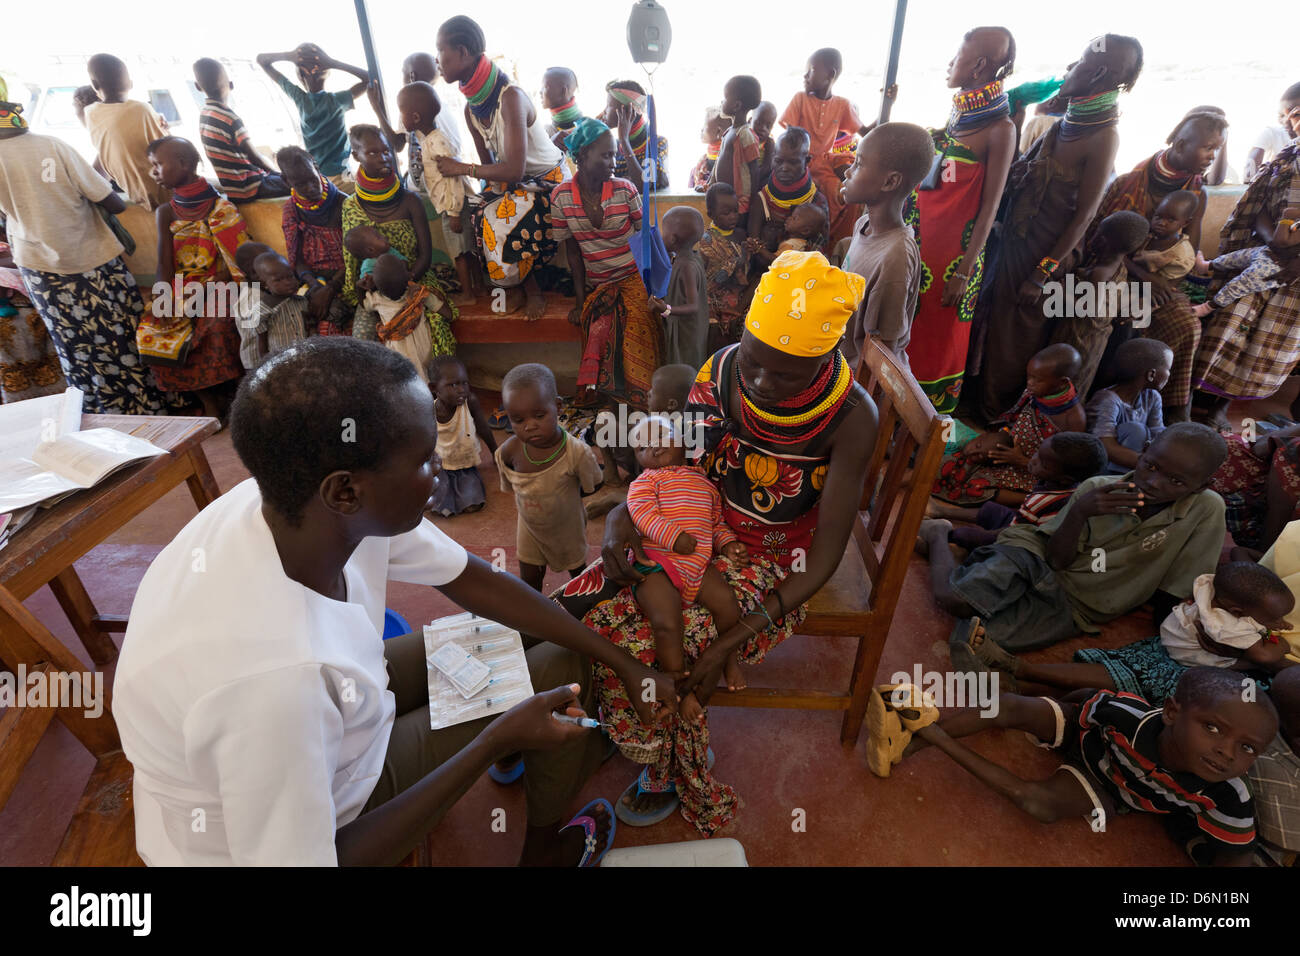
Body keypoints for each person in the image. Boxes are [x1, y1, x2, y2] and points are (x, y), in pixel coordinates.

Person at [113, 337, 679, 866]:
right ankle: (541, 851)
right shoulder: (273, 684)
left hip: (342, 713)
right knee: (555, 674)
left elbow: (477, 582)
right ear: (345, 489)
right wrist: (494, 739)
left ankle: (525, 764)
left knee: (560, 648)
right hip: (315, 814)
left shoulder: (299, 502)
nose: (440, 472)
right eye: (424, 460)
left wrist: (621, 661)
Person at [556, 251, 877, 834]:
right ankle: (613, 717)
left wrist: (732, 639)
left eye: (783, 374)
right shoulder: (723, 370)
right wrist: (622, 519)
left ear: (827, 356)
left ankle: (666, 762)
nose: (758, 382)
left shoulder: (851, 417)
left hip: (776, 560)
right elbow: (677, 464)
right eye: (754, 362)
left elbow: (825, 557)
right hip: (690, 524)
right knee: (580, 604)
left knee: (660, 645)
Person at [875, 668, 1276, 865]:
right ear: (1171, 712)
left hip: (1108, 789)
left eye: (1247, 748)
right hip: (1087, 740)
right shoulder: (1127, 714)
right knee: (1008, 705)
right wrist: (1044, 708)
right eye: (1212, 728)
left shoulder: (1228, 794)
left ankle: (927, 731)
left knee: (1038, 804)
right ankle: (910, 743)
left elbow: (1234, 864)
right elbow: (1087, 700)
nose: (1226, 753)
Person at [934, 423, 1228, 663]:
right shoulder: (1095, 488)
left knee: (970, 640)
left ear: (1202, 486)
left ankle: (968, 561)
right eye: (1151, 466)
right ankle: (938, 533)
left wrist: (1174, 641)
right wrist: (1079, 511)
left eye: (1176, 482)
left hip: (1079, 604)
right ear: (1144, 452)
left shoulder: (1206, 509)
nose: (1154, 483)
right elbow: (1056, 560)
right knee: (956, 600)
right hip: (1035, 554)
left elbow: (1178, 589)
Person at [976, 35, 1144, 423]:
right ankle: (988, 408)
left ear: (1098, 72)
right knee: (998, 332)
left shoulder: (1103, 136)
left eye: (1080, 61)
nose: (1070, 68)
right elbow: (1025, 173)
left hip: (1044, 256)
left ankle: (1003, 419)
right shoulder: (1068, 122)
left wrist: (1042, 272)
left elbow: (1084, 216)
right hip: (1018, 244)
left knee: (1017, 342)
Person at [0, 95, 172, 414]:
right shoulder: (52, 145)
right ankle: (154, 405)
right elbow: (113, 202)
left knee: (77, 348)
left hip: (40, 271)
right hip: (94, 259)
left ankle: (103, 417)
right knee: (125, 334)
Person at [970, 562, 1294, 703]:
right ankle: (1019, 670)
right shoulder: (1233, 625)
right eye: (1274, 616)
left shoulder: (1214, 588)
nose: (1279, 620)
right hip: (1194, 666)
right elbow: (1267, 654)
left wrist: (1266, 621)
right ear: (1240, 612)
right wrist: (1274, 639)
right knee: (1137, 679)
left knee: (1122, 671)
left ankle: (1017, 681)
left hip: (1171, 643)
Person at [905, 26, 1017, 413]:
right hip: (920, 246)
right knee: (910, 335)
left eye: (958, 56)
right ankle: (894, 414)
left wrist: (964, 272)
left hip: (954, 261)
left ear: (980, 66)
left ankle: (925, 430)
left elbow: (990, 207)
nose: (951, 63)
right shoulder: (961, 114)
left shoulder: (1000, 129)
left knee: (938, 346)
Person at [1088, 110, 1226, 421]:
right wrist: (1145, 280)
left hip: (1161, 280)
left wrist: (1170, 283)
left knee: (1187, 324)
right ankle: (1109, 402)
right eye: (1207, 147)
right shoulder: (1130, 183)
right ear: (1180, 144)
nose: (1211, 156)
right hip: (1116, 272)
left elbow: (1188, 250)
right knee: (1125, 318)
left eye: (1216, 149)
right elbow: (1100, 243)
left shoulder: (1196, 192)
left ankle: (1171, 408)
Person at [435, 16, 568, 319]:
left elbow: (513, 170)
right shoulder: (472, 109)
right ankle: (511, 286)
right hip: (521, 183)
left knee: (500, 217)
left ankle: (529, 289)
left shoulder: (511, 98)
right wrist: (486, 192)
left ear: (464, 52)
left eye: (441, 50)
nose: (437, 60)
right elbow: (489, 167)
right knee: (481, 210)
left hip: (552, 183)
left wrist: (460, 168)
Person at [625, 414, 748, 724]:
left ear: (682, 441)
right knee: (666, 622)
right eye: (642, 447)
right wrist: (672, 537)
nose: (651, 448)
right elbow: (641, 515)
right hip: (658, 563)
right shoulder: (645, 482)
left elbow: (715, 523)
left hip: (698, 564)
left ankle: (729, 659)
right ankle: (677, 686)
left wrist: (728, 543)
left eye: (660, 438)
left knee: (728, 607)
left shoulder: (704, 482)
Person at [551, 118, 660, 414]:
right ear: (582, 156)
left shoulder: (625, 190)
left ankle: (643, 404)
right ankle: (611, 405)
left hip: (634, 278)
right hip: (600, 284)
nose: (614, 161)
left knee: (637, 327)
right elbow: (572, 253)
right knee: (598, 331)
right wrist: (579, 300)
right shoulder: (561, 197)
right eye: (606, 155)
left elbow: (647, 241)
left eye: (614, 154)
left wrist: (653, 287)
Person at [136, 137, 247, 421]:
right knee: (153, 329)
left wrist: (207, 289)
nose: (154, 172)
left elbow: (237, 261)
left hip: (222, 286)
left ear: (184, 164)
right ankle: (209, 401)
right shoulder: (166, 212)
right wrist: (162, 299)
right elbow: (164, 263)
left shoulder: (222, 208)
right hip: (182, 288)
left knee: (215, 326)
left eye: (159, 165)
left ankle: (239, 398)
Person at [1192, 145, 1300, 423]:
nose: (1291, 121)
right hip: (1265, 254)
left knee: (1264, 348)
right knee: (1228, 326)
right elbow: (1260, 208)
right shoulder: (1286, 159)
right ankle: (1197, 400)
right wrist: (1274, 244)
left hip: (1294, 282)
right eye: (1286, 116)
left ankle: (1221, 408)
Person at [340, 125, 454, 356]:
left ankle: (439, 387)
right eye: (372, 153)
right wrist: (366, 288)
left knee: (436, 327)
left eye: (386, 151)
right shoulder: (350, 206)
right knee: (361, 344)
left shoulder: (410, 201)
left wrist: (406, 280)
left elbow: (425, 255)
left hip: (414, 278)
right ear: (356, 156)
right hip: (372, 290)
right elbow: (352, 263)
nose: (383, 158)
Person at [932, 343, 1086, 511]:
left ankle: (1031, 499)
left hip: (1032, 472)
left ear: (1062, 382)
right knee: (955, 457)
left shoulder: (1073, 421)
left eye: (1037, 380)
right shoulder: (1036, 393)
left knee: (975, 483)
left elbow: (1061, 471)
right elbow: (1012, 422)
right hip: (1007, 453)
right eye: (1029, 377)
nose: (1030, 383)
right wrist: (998, 437)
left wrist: (1022, 461)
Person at [495, 363, 604, 592]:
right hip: (529, 526)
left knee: (578, 575)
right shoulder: (507, 452)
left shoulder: (576, 452)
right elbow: (511, 486)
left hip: (567, 527)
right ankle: (536, 618)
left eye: (539, 415)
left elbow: (592, 485)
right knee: (530, 578)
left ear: (557, 406)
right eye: (518, 420)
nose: (530, 426)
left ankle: (582, 612)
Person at [839, 122, 935, 372]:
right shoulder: (864, 224)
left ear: (890, 181)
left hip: (859, 382)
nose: (848, 172)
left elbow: (882, 355)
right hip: (843, 363)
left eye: (858, 164)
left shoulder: (895, 257)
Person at [920, 431, 1107, 556]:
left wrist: (986, 536)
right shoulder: (1061, 484)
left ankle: (942, 541)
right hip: (1024, 525)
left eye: (1043, 463)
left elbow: (1011, 533)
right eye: (1037, 454)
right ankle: (940, 511)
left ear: (1064, 478)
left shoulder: (1045, 500)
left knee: (970, 536)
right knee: (993, 511)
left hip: (1020, 543)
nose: (1032, 462)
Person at [1047, 210, 1150, 397]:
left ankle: (1052, 421)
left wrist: (1059, 292)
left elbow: (1089, 309)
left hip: (1080, 336)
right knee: (1073, 381)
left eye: (1097, 233)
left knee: (1064, 381)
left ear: (1103, 240)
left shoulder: (1100, 273)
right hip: (1093, 337)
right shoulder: (1118, 267)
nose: (1093, 237)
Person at [397, 81, 480, 307]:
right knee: (465, 248)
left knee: (459, 253)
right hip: (448, 205)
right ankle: (478, 288)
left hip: (452, 206)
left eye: (401, 112)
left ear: (414, 117)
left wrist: (453, 212)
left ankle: (469, 295)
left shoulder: (437, 142)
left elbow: (453, 178)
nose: (400, 117)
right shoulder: (428, 140)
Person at [778, 48, 872, 245]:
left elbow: (867, 132)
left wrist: (889, 100)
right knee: (829, 189)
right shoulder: (800, 99)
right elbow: (789, 137)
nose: (804, 75)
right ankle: (818, 241)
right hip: (801, 162)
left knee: (848, 190)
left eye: (810, 70)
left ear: (830, 74)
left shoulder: (842, 104)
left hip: (824, 163)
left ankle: (838, 244)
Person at [257, 43, 368, 191]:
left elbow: (262, 62)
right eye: (308, 68)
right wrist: (330, 62)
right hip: (328, 178)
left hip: (326, 177)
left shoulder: (311, 99)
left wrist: (291, 57)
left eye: (317, 66)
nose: (313, 71)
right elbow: (368, 79)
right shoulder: (332, 100)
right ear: (301, 76)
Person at [277, 146, 351, 336]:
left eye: (312, 179)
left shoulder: (344, 204)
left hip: (345, 280)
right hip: (313, 281)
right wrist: (315, 285)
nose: (310, 188)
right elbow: (297, 259)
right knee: (292, 325)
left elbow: (356, 258)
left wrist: (330, 288)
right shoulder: (291, 211)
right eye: (301, 184)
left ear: (317, 168)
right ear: (287, 181)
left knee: (328, 330)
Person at [193, 58, 289, 203]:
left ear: (197, 86)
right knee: (306, 182)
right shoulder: (230, 117)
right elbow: (254, 157)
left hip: (234, 190)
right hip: (252, 186)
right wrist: (277, 172)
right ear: (231, 85)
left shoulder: (205, 115)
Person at [84, 53, 171, 209]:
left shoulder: (91, 114)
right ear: (130, 83)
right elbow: (168, 146)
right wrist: (166, 128)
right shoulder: (142, 109)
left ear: (95, 85)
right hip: (165, 191)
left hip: (135, 194)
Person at [1194, 208, 1300, 321]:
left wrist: (1286, 217)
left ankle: (1209, 307)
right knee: (1235, 257)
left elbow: (1281, 241)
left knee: (1241, 284)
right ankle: (1206, 266)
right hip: (1269, 252)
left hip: (1274, 268)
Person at [357, 253, 450, 380]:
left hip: (397, 353)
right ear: (409, 276)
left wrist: (359, 287)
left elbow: (363, 304)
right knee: (428, 377)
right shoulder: (419, 293)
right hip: (423, 348)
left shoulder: (375, 300)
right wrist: (449, 313)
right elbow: (445, 311)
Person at [1087, 338, 1172, 473]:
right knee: (1135, 430)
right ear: (1151, 374)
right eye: (1168, 369)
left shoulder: (1152, 397)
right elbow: (1104, 445)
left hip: (1137, 463)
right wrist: (1150, 466)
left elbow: (1158, 433)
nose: (1169, 374)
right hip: (1101, 465)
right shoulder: (1107, 399)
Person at [746, 127, 829, 265]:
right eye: (779, 161)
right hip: (766, 268)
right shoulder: (763, 198)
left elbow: (819, 250)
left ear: (807, 160)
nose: (784, 167)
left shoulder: (817, 201)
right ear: (773, 158)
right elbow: (754, 244)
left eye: (793, 162)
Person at [427, 354, 494, 517]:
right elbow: (422, 438)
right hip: (441, 464)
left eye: (464, 383)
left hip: (465, 463)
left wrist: (496, 452)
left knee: (472, 502)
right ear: (434, 388)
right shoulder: (428, 408)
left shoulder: (470, 402)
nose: (461, 389)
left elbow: (483, 428)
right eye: (453, 384)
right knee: (438, 503)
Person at [651, 206, 710, 371]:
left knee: (685, 365)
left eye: (664, 232)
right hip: (683, 325)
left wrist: (666, 309)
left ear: (673, 239)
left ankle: (686, 394)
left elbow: (693, 306)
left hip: (687, 330)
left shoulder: (687, 267)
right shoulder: (688, 257)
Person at [698, 182, 751, 352]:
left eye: (735, 211)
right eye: (726, 213)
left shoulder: (741, 235)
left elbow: (745, 269)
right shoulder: (706, 241)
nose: (733, 216)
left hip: (738, 293)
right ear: (711, 214)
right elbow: (709, 277)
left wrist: (749, 253)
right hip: (713, 296)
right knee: (715, 332)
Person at [236, 251, 310, 369]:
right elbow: (261, 341)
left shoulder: (301, 301)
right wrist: (267, 365)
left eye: (290, 276)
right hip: (280, 363)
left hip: (305, 359)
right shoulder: (263, 309)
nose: (288, 282)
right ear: (265, 284)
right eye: (278, 280)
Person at [600, 80, 669, 192]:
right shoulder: (614, 145)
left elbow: (644, 187)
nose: (604, 111)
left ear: (628, 111)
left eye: (609, 106)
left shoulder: (656, 143)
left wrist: (624, 140)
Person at [711, 76, 764, 217]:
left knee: (736, 228)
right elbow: (719, 160)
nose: (722, 102)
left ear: (736, 106)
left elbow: (754, 168)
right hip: (724, 197)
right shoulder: (729, 132)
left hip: (739, 201)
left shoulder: (745, 134)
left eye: (725, 98)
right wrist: (710, 183)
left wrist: (752, 199)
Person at [1244, 83, 1300, 183]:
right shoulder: (1272, 132)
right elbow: (1248, 177)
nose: (1284, 121)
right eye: (1281, 115)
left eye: (1296, 114)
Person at [541, 67, 585, 156]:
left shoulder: (588, 132)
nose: (540, 92)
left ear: (563, 91)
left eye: (545, 87)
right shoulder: (546, 132)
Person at [689, 107, 731, 192]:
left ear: (718, 131)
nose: (701, 130)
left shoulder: (725, 159)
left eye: (704, 127)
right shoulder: (703, 161)